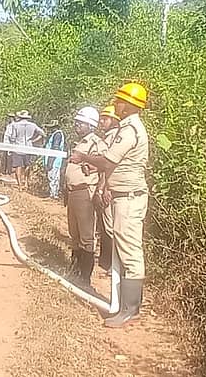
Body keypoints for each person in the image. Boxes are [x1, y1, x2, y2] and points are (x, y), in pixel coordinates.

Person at [69, 83, 150, 329]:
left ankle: (130, 309)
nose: (116, 105)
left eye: (119, 101)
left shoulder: (130, 130)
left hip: (129, 198)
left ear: (129, 105)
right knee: (123, 248)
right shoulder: (127, 128)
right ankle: (126, 306)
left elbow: (107, 161)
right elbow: (110, 163)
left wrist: (83, 157)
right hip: (121, 197)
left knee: (130, 252)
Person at [63, 106, 103, 287]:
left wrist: (89, 166)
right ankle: (74, 270)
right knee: (74, 234)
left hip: (85, 192)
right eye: (76, 122)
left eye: (81, 123)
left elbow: (104, 165)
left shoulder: (96, 143)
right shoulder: (79, 143)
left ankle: (84, 278)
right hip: (73, 192)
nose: (77, 125)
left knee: (86, 236)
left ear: (90, 125)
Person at [95, 104, 121, 271]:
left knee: (110, 227)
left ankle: (115, 266)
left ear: (114, 121)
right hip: (107, 185)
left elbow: (109, 166)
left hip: (109, 187)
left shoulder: (114, 138)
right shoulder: (111, 137)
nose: (101, 122)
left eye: (105, 119)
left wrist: (104, 188)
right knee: (106, 226)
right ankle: (109, 262)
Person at [9, 110, 45, 190]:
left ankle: (20, 185)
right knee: (27, 165)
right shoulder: (33, 125)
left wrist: (13, 143)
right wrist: (33, 140)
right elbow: (42, 133)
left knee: (18, 167)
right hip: (28, 148)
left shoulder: (15, 125)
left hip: (18, 148)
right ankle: (26, 183)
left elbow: (13, 138)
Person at [42, 120, 66, 200]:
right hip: (53, 160)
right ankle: (52, 194)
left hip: (55, 160)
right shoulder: (55, 134)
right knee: (52, 177)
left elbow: (55, 148)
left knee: (53, 177)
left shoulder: (57, 135)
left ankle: (53, 195)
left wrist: (50, 162)